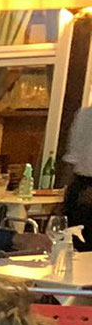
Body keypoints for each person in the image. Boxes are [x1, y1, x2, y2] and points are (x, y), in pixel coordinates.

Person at [58, 103, 92, 246]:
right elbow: (72, 158)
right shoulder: (84, 115)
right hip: (82, 183)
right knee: (75, 241)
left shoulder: (84, 115)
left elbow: (72, 158)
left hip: (81, 183)